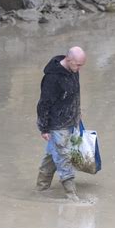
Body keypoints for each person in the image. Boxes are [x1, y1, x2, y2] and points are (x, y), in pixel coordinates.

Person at [36, 46, 87, 201]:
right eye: (77, 65)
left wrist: (77, 113)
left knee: (52, 155)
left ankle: (41, 189)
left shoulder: (73, 71)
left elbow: (73, 94)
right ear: (68, 58)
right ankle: (71, 195)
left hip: (70, 120)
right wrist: (44, 128)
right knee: (64, 157)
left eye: (81, 65)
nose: (79, 69)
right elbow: (43, 104)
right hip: (56, 125)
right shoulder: (52, 78)